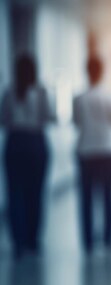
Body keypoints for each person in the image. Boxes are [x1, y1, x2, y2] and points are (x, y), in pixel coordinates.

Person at [0, 54, 54, 260]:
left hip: (14, 144)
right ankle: (33, 239)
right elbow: (48, 117)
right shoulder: (40, 92)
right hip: (35, 144)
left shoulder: (9, 93)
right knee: (36, 193)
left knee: (15, 194)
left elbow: (3, 119)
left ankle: (18, 241)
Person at [73, 56, 111, 256]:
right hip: (106, 150)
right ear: (102, 72)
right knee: (108, 197)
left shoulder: (79, 97)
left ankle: (87, 242)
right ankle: (109, 239)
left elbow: (76, 122)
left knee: (86, 199)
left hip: (86, 150)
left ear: (87, 72)